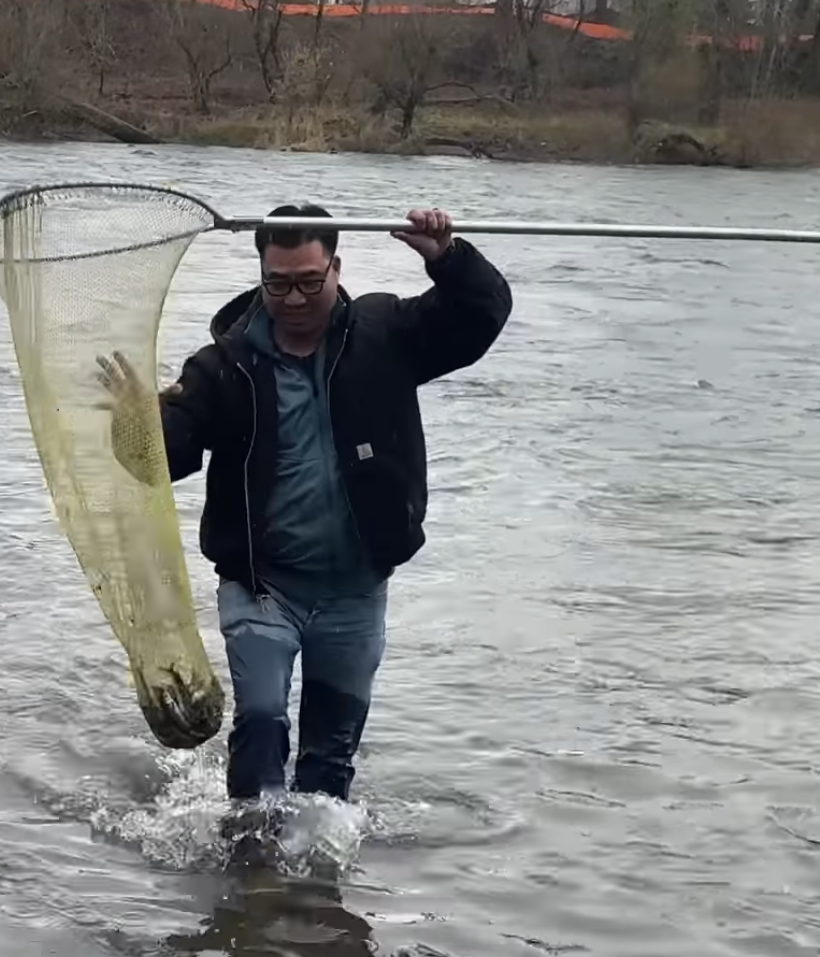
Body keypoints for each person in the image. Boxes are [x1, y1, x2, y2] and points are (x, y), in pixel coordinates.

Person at [96, 203, 512, 808]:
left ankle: (312, 880)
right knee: (262, 723)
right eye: (278, 283)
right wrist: (136, 423)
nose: (293, 298)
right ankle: (248, 866)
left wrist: (448, 259)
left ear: (336, 268)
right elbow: (166, 457)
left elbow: (480, 317)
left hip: (356, 590)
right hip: (263, 587)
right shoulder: (223, 366)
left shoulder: (387, 333)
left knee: (329, 758)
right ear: (261, 275)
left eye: (309, 282)